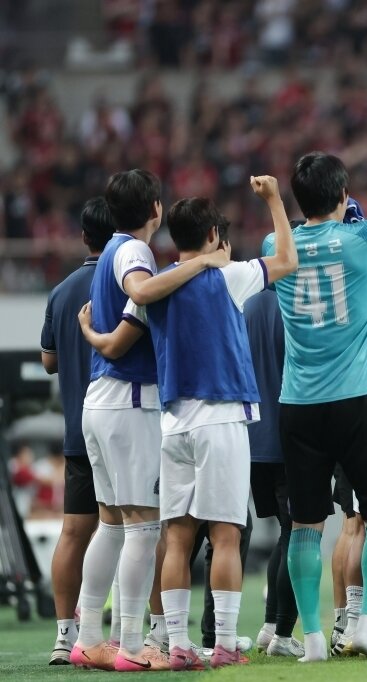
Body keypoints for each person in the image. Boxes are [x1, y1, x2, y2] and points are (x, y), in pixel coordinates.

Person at [82, 179, 298, 669]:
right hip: (220, 417)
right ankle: (222, 643)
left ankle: (177, 642)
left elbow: (118, 341)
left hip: (173, 422)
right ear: (216, 235)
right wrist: (273, 202)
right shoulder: (229, 275)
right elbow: (287, 260)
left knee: (176, 535)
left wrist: (89, 330)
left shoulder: (155, 285)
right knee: (225, 533)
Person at [264, 128, 367, 662]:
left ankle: (312, 637)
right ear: (343, 197)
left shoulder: (275, 245)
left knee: (307, 525)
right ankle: (363, 625)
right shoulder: (364, 241)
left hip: (299, 402)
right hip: (358, 397)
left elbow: (280, 247)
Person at [71, 169, 228, 672]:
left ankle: (91, 637)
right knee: (141, 528)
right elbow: (140, 292)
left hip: (101, 401)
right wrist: (204, 261)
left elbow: (117, 334)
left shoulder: (110, 250)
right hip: (130, 401)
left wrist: (96, 340)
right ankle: (133, 648)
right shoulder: (136, 253)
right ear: (156, 210)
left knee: (112, 525)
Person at [40, 197, 114, 665]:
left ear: (84, 236)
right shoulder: (131, 283)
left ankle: (65, 636)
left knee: (74, 532)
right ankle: (148, 631)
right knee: (143, 527)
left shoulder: (63, 290)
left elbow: (49, 360)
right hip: (125, 424)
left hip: (76, 430)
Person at [246, 277, 303, 658]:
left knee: (282, 534)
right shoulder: (296, 306)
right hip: (290, 437)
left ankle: (268, 626)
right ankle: (282, 630)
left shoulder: (246, 304)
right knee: (299, 534)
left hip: (249, 439)